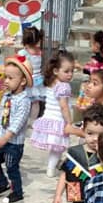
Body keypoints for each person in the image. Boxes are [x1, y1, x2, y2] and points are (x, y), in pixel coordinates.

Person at [0, 55, 32, 203]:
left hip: (13, 144)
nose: (6, 81)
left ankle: (17, 192)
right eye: (5, 77)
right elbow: (2, 116)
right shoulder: (6, 96)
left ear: (22, 81)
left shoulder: (24, 101)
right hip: (2, 139)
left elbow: (16, 125)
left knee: (12, 167)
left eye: (10, 78)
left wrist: (3, 140)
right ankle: (2, 183)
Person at [30, 50, 75, 178]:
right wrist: (69, 121)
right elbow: (63, 106)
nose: (70, 74)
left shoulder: (51, 83)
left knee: (56, 147)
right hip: (58, 120)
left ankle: (55, 165)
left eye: (72, 71)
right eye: (66, 71)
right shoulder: (64, 86)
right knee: (58, 147)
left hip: (48, 118)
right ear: (56, 71)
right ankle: (51, 168)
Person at [21, 27, 45, 120]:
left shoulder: (24, 52)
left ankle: (24, 119)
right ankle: (33, 121)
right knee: (35, 103)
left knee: (25, 101)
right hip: (38, 80)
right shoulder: (39, 52)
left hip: (28, 80)